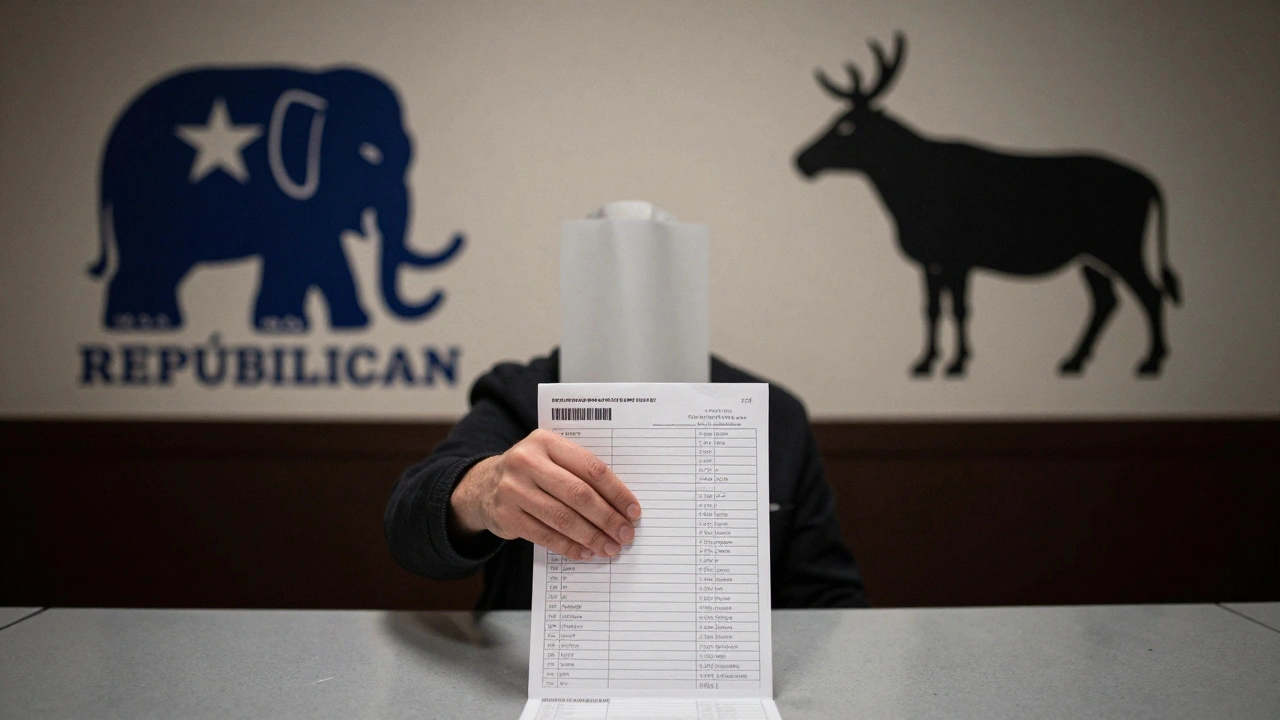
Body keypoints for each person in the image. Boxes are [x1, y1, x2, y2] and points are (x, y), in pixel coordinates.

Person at [384, 348, 868, 609]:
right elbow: (407, 526)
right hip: (526, 683)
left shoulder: (772, 415)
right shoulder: (521, 396)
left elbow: (830, 599)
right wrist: (482, 491)